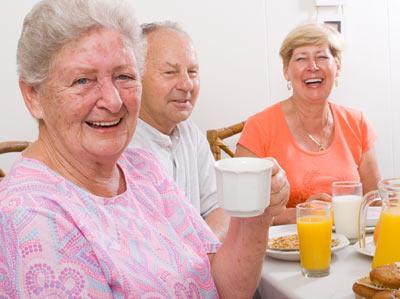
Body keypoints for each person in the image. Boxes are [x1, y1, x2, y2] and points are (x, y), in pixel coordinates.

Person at [0, 0, 289, 297]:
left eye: (124, 76)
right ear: (33, 95)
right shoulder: (30, 214)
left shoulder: (141, 167)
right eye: (82, 80)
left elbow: (224, 285)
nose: (113, 101)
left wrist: (257, 217)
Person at [236, 23, 380, 224]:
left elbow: (374, 203)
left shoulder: (358, 123)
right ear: (286, 71)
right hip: (281, 251)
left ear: (337, 66)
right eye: (301, 58)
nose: (313, 66)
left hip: (349, 245)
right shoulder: (259, 128)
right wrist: (303, 213)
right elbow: (241, 213)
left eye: (321, 57)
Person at [129, 22, 219, 240]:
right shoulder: (118, 144)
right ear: (134, 76)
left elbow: (218, 208)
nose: (187, 84)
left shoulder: (190, 133)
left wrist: (198, 255)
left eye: (192, 71)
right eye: (170, 72)